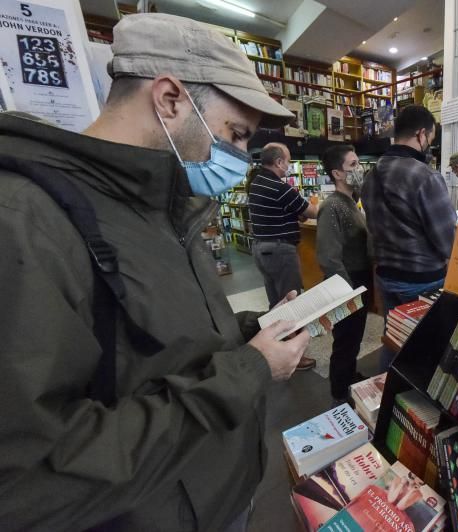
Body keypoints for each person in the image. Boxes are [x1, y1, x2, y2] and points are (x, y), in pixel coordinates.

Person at [0, 13, 311, 531]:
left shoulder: (164, 204)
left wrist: (250, 333)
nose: (239, 157)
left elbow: (161, 347)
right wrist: (251, 370)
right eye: (235, 134)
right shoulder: (28, 220)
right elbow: (32, 476)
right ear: (169, 100)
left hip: (214, 496)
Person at [361, 105, 456, 370]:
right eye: (431, 139)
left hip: (386, 276)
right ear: (422, 134)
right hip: (422, 279)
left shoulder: (371, 175)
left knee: (394, 339)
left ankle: (381, 397)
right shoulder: (425, 176)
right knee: (427, 347)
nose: (429, 145)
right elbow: (449, 241)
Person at [250, 142, 318, 371]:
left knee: (275, 303)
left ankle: (274, 348)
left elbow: (287, 212)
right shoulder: (279, 187)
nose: (288, 165)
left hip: (262, 249)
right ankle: (293, 356)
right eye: (288, 161)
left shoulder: (257, 182)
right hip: (280, 250)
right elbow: (310, 212)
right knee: (291, 302)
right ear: (279, 162)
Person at [317, 145, 373, 402]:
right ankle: (339, 391)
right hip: (346, 283)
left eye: (358, 163)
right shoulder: (332, 206)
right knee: (345, 341)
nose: (358, 169)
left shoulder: (352, 201)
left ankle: (348, 377)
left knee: (353, 338)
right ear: (337, 173)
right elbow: (329, 256)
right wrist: (347, 294)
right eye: (352, 165)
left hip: (359, 281)